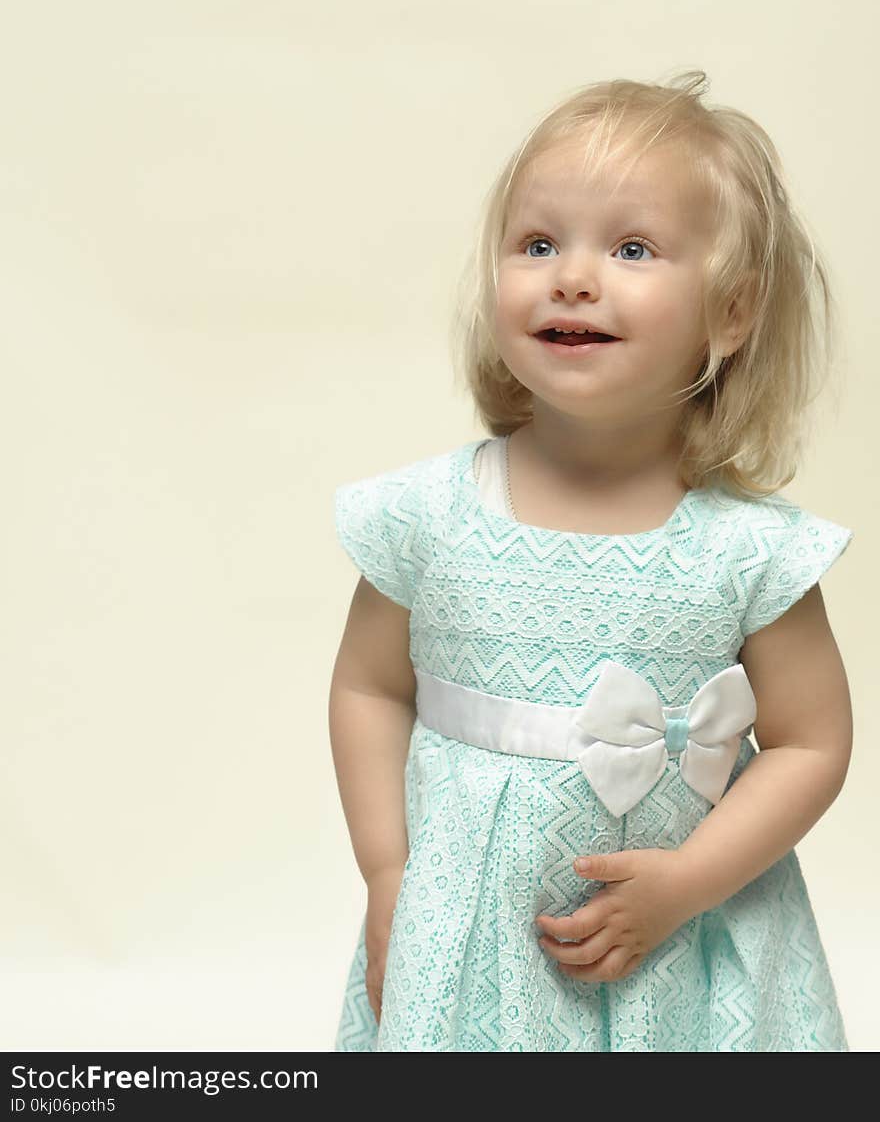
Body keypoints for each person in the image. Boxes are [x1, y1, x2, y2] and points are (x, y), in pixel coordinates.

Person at [328, 70, 855, 1052]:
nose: (571, 276)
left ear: (729, 314)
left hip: (682, 945)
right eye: (537, 243)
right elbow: (367, 686)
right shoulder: (430, 516)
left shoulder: (746, 548)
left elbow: (810, 744)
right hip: (474, 934)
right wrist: (389, 873)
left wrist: (689, 883)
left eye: (631, 247)